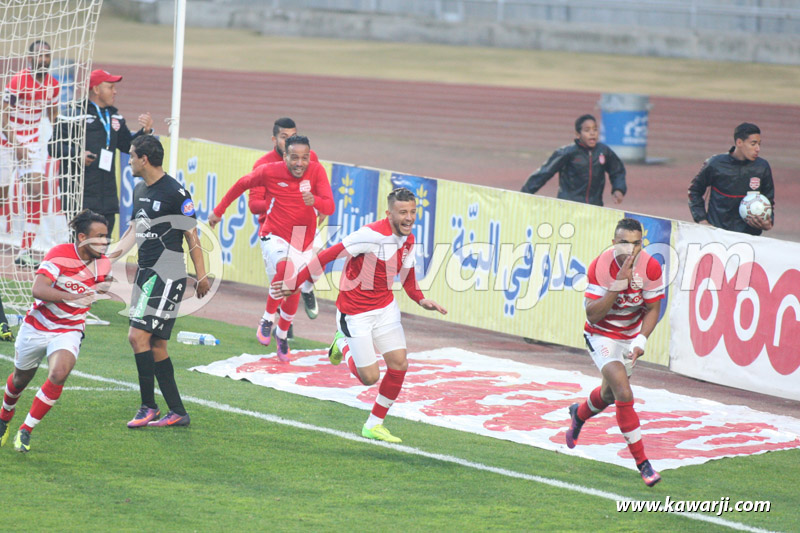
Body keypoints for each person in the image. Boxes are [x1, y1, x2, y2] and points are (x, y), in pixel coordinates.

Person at [276, 187, 448, 444]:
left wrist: (421, 300)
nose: (409, 217)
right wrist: (295, 282)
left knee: (399, 364)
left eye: (413, 212)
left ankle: (374, 424)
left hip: (385, 308)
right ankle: (341, 342)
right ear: (388, 213)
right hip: (355, 312)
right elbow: (326, 255)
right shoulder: (370, 235)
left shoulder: (409, 239)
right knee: (370, 378)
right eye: (403, 212)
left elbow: (408, 279)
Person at [113, 135, 210, 428]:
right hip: (146, 274)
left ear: (144, 159)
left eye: (131, 156)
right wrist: (105, 260)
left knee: (137, 337)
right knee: (155, 345)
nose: (128, 160)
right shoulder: (140, 189)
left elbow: (192, 236)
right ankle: (178, 412)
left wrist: (202, 275)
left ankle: (148, 407)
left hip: (167, 274)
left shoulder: (175, 193)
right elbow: (133, 232)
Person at [209, 135, 334, 361]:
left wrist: (314, 201)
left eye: (304, 158)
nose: (299, 163)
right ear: (285, 156)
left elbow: (330, 205)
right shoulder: (269, 171)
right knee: (286, 272)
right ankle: (267, 319)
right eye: (294, 157)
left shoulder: (316, 171)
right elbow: (241, 184)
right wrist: (219, 211)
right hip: (274, 235)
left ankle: (283, 334)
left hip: (303, 240)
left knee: (293, 288)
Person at [0, 209, 111, 452]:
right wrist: (72, 296)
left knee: (59, 373)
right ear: (82, 237)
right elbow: (39, 289)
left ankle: (26, 429)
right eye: (99, 236)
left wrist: (103, 286)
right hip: (37, 326)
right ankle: (5, 415)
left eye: (106, 236)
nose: (104, 242)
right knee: (19, 380)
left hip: (69, 328)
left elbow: (102, 284)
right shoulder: (59, 254)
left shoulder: (102, 262)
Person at [564, 218, 664, 486]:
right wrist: (617, 284)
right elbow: (593, 315)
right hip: (602, 334)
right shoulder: (601, 266)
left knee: (608, 394)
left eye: (636, 244)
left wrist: (641, 338)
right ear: (613, 243)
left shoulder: (651, 267)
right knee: (623, 391)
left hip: (630, 337)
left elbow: (654, 308)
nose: (630, 250)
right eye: (623, 243)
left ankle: (579, 414)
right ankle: (643, 465)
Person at [51, 69, 153, 236]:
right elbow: (53, 147)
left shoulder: (115, 118)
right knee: (82, 243)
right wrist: (78, 154)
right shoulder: (72, 114)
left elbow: (128, 145)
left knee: (104, 242)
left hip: (107, 195)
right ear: (96, 89)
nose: (115, 91)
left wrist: (145, 131)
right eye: (110, 87)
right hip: (80, 194)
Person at [250, 117, 321, 336]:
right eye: (284, 137)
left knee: (317, 262)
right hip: (276, 229)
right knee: (283, 279)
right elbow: (254, 204)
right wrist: (282, 200)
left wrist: (319, 205)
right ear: (274, 139)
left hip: (303, 227)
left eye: (292, 136)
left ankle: (308, 289)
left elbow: (320, 190)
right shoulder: (263, 166)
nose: (290, 141)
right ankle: (283, 327)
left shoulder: (309, 160)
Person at [0, 41, 60, 268]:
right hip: (7, 140)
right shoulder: (18, 81)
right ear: (30, 58)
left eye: (47, 56)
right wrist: (16, 145)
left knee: (37, 190)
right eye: (40, 56)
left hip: (32, 142)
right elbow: (3, 117)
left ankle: (25, 250)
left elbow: (53, 112)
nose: (43, 60)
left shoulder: (54, 85)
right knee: (2, 199)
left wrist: (54, 137)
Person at [688, 122, 775, 236]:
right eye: (753, 144)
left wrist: (769, 221)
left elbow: (768, 200)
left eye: (759, 144)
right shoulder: (716, 164)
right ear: (739, 142)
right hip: (717, 235)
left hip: (749, 238)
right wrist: (702, 220)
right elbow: (694, 191)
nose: (758, 149)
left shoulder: (762, 167)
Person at [521, 114, 626, 206]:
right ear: (577, 134)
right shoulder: (567, 153)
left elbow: (617, 170)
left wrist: (618, 189)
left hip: (594, 206)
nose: (592, 133)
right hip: (569, 206)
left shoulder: (604, 151)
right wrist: (523, 194)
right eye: (587, 130)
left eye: (595, 129)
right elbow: (545, 173)